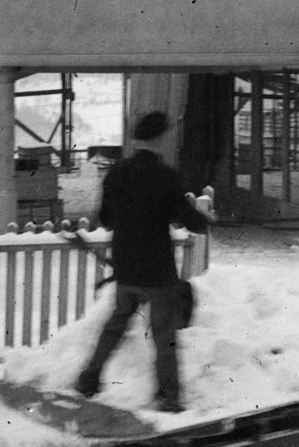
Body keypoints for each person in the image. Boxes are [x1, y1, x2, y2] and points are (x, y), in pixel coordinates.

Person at [75, 111, 209, 413]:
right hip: (157, 270)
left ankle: (88, 379)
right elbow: (190, 221)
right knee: (164, 335)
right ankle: (168, 396)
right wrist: (205, 220)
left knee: (116, 323)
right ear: (160, 138)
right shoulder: (165, 176)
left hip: (126, 266)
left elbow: (106, 218)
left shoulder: (117, 173)